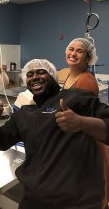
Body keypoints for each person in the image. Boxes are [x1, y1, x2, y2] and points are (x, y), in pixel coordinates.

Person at [0, 59, 109, 209]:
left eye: (41, 72)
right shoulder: (24, 114)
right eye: (29, 74)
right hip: (35, 199)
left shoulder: (76, 97)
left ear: (53, 76)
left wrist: (81, 122)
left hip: (77, 201)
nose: (34, 76)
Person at [64, 37, 109, 209]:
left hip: (85, 139)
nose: (73, 53)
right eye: (71, 49)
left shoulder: (86, 80)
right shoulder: (69, 74)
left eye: (79, 51)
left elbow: (84, 117)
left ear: (88, 58)